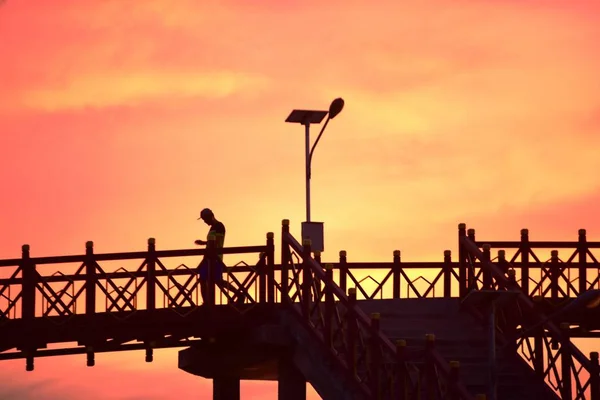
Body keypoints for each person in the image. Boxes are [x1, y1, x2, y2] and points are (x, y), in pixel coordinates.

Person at [194, 208, 245, 304]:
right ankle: (206, 302)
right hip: (208, 258)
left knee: (218, 280)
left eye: (205, 219)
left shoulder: (219, 226)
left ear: (211, 216)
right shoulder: (213, 227)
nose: (205, 222)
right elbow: (212, 242)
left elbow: (216, 241)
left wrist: (205, 243)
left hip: (216, 258)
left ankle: (239, 294)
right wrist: (204, 243)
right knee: (203, 279)